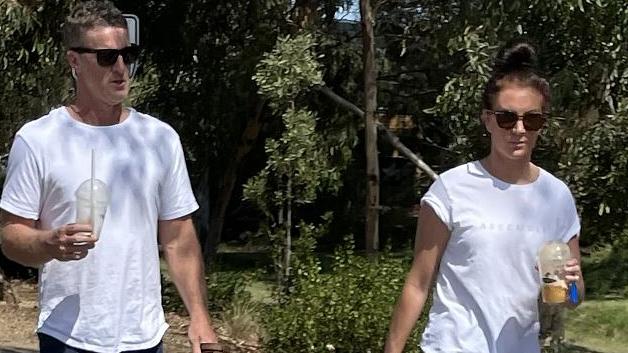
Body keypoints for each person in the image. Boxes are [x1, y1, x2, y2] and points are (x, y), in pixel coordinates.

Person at [0, 2, 220, 352]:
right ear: (75, 62)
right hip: (67, 337)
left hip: (144, 337)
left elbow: (178, 238)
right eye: (106, 57)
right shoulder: (38, 139)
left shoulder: (159, 139)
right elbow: (11, 235)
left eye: (127, 54)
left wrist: (199, 317)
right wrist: (49, 244)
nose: (121, 68)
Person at [384, 40, 585, 353]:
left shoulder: (556, 197)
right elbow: (418, 283)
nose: (518, 129)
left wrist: (571, 286)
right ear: (488, 119)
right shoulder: (451, 189)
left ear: (541, 125)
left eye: (531, 119)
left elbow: (572, 300)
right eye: (506, 118)